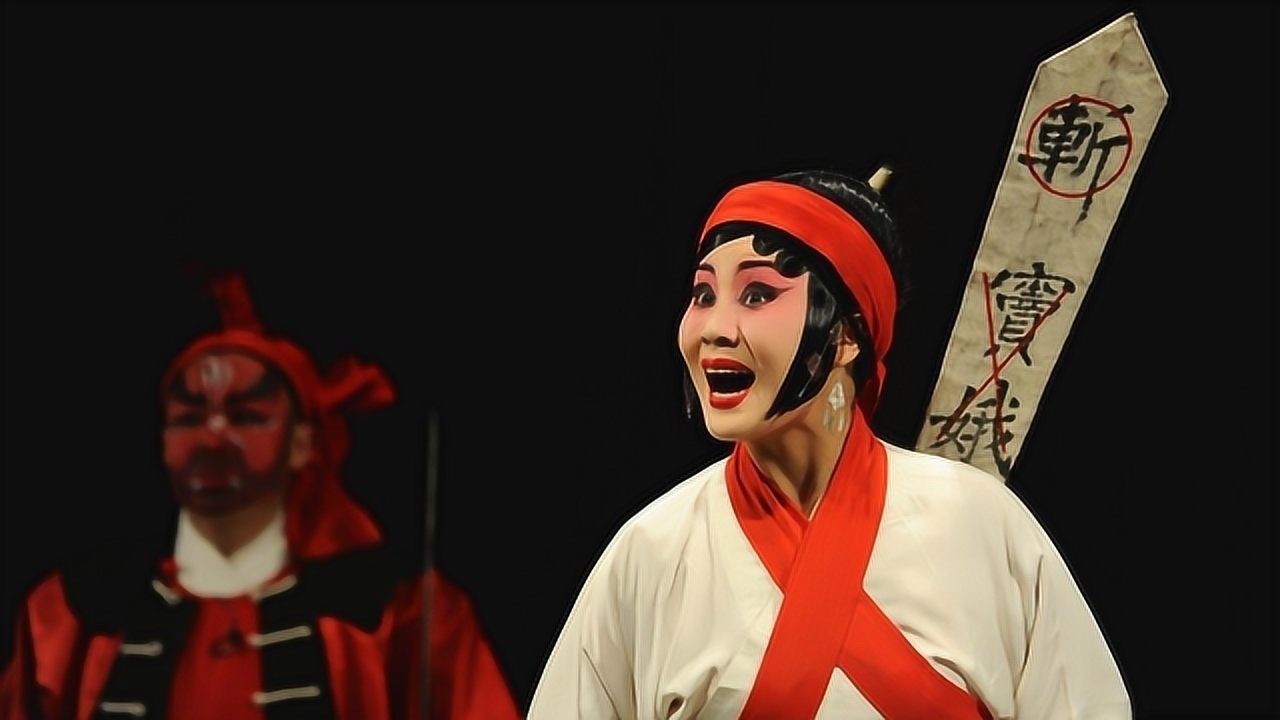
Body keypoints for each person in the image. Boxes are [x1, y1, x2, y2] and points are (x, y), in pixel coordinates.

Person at [529, 169, 1129, 718]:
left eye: (757, 295)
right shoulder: (652, 550)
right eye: (704, 294)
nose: (713, 328)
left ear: (847, 336)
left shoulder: (980, 522)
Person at [0, 274, 520, 720]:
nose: (213, 439)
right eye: (189, 417)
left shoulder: (397, 612)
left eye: (247, 416)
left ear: (302, 443)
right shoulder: (72, 611)